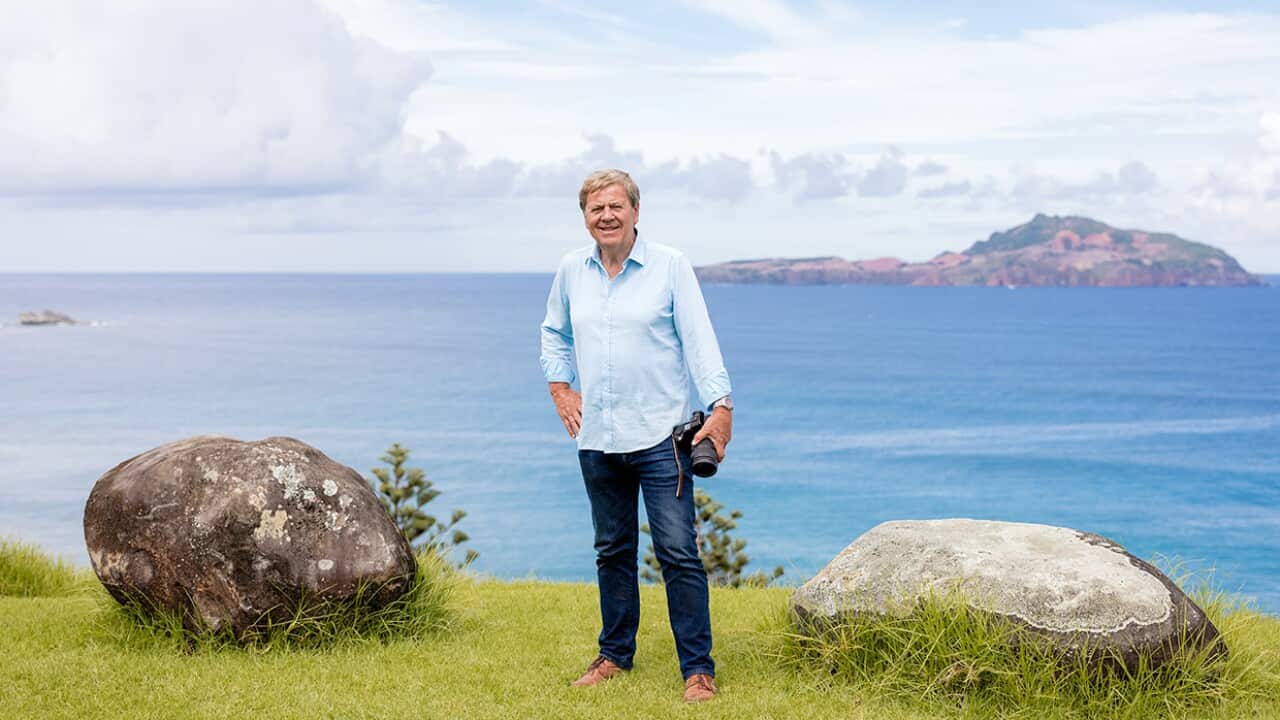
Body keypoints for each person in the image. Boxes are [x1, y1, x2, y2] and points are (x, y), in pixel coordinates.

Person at [539, 169, 734, 703]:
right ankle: (613, 655)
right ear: (585, 216)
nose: (606, 215)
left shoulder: (670, 266)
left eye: (615, 206)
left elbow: (700, 341)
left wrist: (721, 404)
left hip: (661, 439)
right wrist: (561, 390)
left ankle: (698, 669)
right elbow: (553, 331)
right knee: (612, 549)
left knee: (677, 552)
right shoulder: (570, 270)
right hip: (597, 438)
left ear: (635, 212)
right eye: (596, 208)